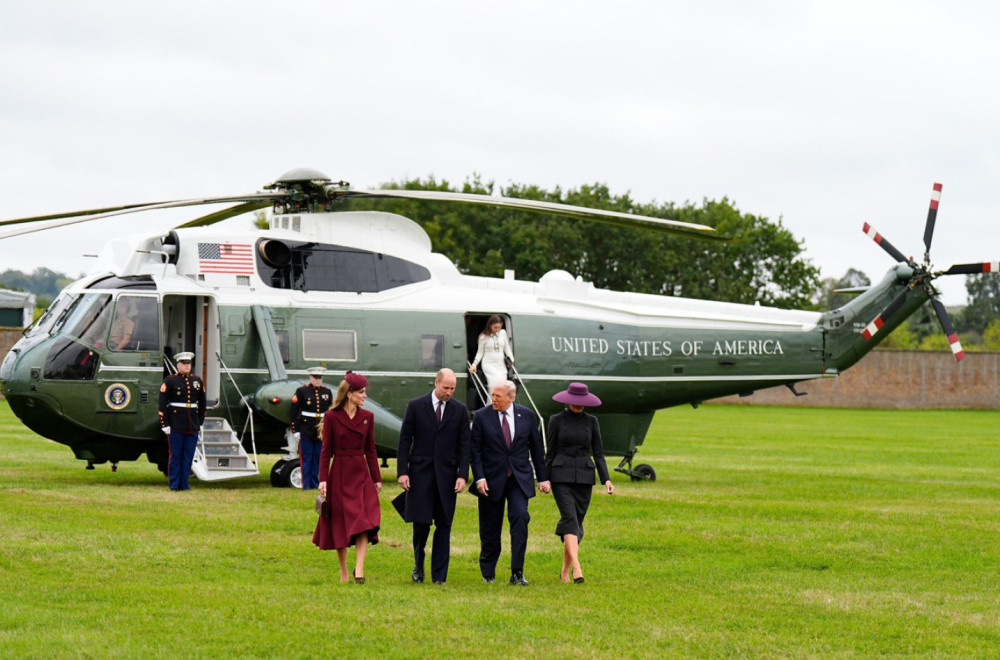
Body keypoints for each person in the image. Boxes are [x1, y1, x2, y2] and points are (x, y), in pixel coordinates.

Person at [470, 379, 550, 585]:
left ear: (511, 398)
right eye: (492, 395)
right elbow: (475, 451)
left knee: (520, 518)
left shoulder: (527, 416)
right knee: (490, 528)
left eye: (498, 396)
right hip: (490, 481)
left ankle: (517, 572)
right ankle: (488, 573)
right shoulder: (481, 416)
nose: (493, 399)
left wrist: (543, 478)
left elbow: (536, 449)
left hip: (518, 479)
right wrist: (479, 478)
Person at [396, 368, 471, 584]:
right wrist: (402, 472)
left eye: (453, 389)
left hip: (447, 477)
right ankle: (418, 564)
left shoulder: (460, 410)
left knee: (444, 525)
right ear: (436, 383)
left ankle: (439, 575)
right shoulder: (416, 406)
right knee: (421, 524)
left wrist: (462, 475)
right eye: (446, 387)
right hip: (420, 475)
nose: (449, 392)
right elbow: (404, 441)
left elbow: (464, 445)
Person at [312, 371, 383, 584]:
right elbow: (326, 451)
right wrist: (323, 479)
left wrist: (377, 478)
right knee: (340, 523)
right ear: (349, 394)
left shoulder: (368, 417)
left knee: (364, 520)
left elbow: (371, 450)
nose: (365, 396)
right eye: (361, 392)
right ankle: (344, 571)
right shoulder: (332, 417)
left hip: (361, 473)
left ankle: (359, 570)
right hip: (340, 474)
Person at [546, 382, 614, 584]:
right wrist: (544, 478)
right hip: (560, 476)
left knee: (576, 525)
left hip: (584, 477)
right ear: (568, 401)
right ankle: (577, 567)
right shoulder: (556, 420)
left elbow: (598, 453)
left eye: (581, 402)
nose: (578, 405)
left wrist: (606, 479)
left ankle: (565, 571)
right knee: (569, 518)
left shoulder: (592, 422)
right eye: (574, 401)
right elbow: (550, 452)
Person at [158, 352, 206, 491]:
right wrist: (164, 424)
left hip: (192, 424)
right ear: (178, 365)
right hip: (176, 424)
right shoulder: (170, 380)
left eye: (188, 364)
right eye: (184, 364)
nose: (186, 366)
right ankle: (174, 485)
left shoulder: (197, 380)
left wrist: (200, 421)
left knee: (188, 457)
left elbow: (202, 402)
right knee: (176, 456)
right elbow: (162, 403)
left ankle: (184, 485)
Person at [289, 367, 333, 490]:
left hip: (321, 429)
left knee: (318, 457)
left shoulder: (327, 391)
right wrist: (296, 430)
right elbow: (293, 411)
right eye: (316, 377)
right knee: (307, 458)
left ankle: (315, 483)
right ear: (310, 377)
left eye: (320, 378)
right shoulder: (302, 391)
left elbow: (331, 411)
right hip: (306, 428)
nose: (318, 380)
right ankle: (306, 484)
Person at [469, 314, 515, 389]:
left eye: (499, 327)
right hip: (488, 364)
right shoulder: (483, 337)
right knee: (494, 384)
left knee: (503, 385)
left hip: (501, 364)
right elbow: (480, 352)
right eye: (495, 327)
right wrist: (474, 364)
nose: (497, 330)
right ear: (490, 325)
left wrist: (512, 360)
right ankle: (492, 397)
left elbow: (506, 348)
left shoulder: (503, 333)